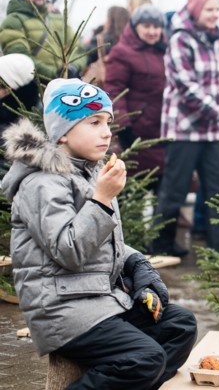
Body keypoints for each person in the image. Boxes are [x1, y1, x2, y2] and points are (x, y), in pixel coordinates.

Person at [0, 78, 197, 389]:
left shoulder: (88, 171)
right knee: (144, 358)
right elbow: (69, 252)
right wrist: (102, 199)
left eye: (108, 121)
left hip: (99, 299)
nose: (106, 131)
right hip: (62, 309)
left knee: (179, 325)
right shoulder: (41, 184)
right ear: (62, 133)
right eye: (93, 122)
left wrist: (138, 265)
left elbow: (105, 241)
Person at [153, 0, 219, 256]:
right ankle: (160, 247)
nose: (214, 15)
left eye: (217, 9)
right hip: (184, 129)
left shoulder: (218, 39)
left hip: (213, 132)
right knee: (174, 191)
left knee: (216, 191)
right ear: (196, 10)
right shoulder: (179, 39)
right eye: (209, 9)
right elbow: (186, 86)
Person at [104, 4, 168, 186]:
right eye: (146, 26)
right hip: (137, 131)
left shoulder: (165, 51)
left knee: (161, 185)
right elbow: (114, 90)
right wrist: (124, 127)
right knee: (135, 184)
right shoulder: (122, 52)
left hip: (162, 129)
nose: (152, 31)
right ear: (135, 27)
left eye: (156, 27)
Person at [0, 0, 86, 80]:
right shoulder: (13, 21)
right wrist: (54, 75)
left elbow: (79, 50)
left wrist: (72, 68)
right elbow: (21, 59)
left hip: (67, 85)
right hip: (35, 88)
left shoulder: (57, 19)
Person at [84, 5, 130, 86]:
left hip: (94, 85)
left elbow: (84, 58)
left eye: (107, 19)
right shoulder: (128, 45)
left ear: (111, 22)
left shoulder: (101, 41)